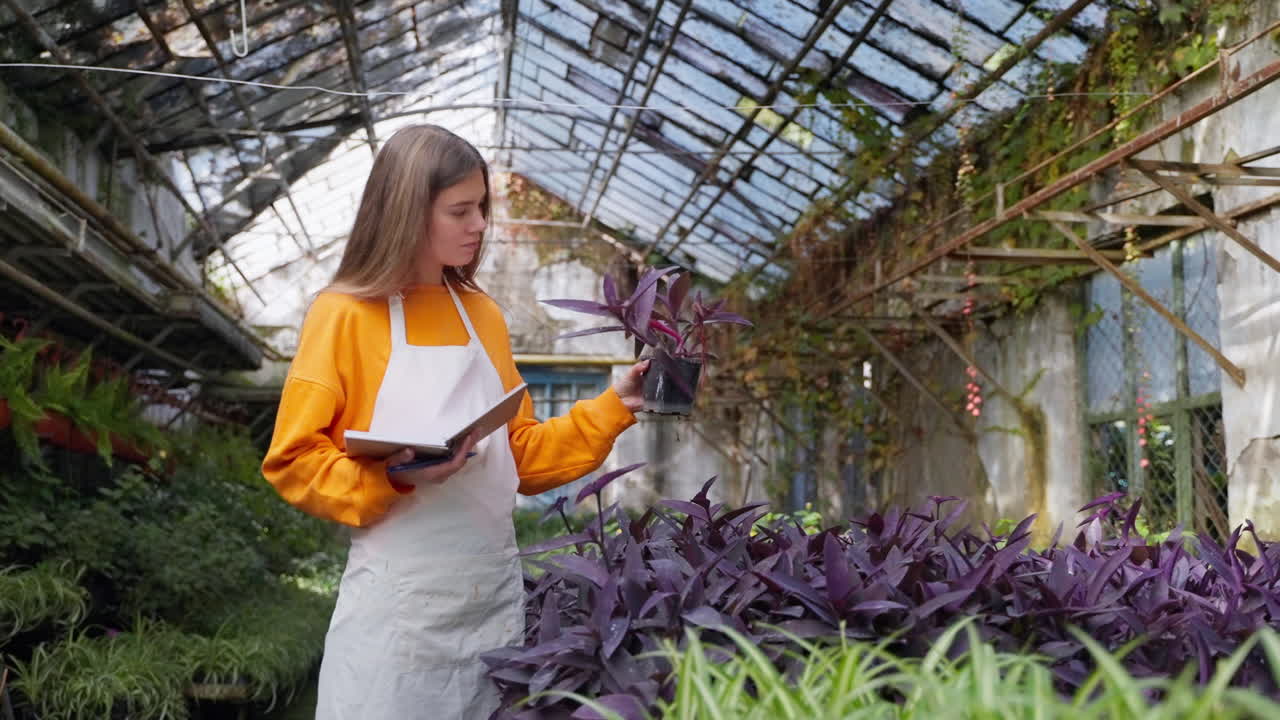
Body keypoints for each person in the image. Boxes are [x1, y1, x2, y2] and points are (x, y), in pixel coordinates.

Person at [261, 124, 648, 720]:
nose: (480, 225)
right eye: (460, 210)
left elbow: (521, 457)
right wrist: (394, 477)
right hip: (397, 612)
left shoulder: (483, 315)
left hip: (488, 599)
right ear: (407, 212)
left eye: (483, 208)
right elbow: (292, 460)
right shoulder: (342, 314)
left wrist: (615, 404)